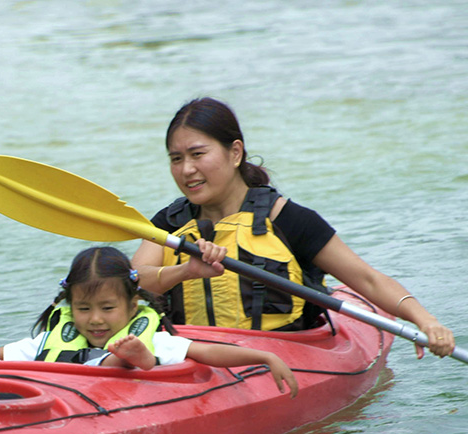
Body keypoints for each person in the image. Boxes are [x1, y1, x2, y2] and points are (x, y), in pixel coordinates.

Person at [130, 96, 455, 359]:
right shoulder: (169, 225)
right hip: (192, 353)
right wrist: (186, 270)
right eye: (176, 159)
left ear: (235, 152)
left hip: (281, 354)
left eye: (198, 154)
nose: (187, 169)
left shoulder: (288, 220)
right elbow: (130, 284)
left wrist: (425, 321)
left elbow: (368, 280)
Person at [0, 246, 298, 397]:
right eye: (84, 309)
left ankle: (128, 362)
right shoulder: (60, 335)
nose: (95, 320)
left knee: (131, 354)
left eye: (108, 308)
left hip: (126, 363)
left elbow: (204, 352)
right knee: (16, 359)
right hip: (60, 383)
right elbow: (8, 353)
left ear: (133, 304)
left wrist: (265, 358)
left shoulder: (146, 334)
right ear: (69, 305)